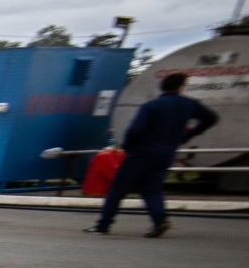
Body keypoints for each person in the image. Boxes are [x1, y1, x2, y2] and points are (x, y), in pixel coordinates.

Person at [91, 71, 219, 237]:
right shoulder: (189, 104)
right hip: (166, 153)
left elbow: (135, 130)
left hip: (142, 153)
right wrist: (188, 135)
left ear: (162, 87)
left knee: (118, 189)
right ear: (181, 87)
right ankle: (160, 220)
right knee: (152, 189)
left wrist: (128, 147)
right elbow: (211, 118)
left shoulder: (152, 106)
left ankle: (103, 225)